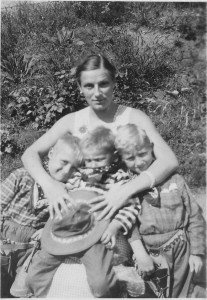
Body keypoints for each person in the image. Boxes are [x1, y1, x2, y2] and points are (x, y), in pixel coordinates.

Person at [21, 54, 178, 221]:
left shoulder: (133, 117)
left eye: (103, 84)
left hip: (127, 209)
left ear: (113, 83)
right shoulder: (71, 121)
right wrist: (50, 185)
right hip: (81, 209)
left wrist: (125, 191)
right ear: (80, 87)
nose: (97, 93)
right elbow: (30, 153)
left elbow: (169, 160)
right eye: (89, 86)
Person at [26, 126, 142, 298]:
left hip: (95, 236)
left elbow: (131, 207)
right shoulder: (77, 177)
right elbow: (63, 205)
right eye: (88, 161)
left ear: (114, 157)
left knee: (100, 283)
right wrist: (50, 228)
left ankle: (114, 290)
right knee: (34, 276)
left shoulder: (119, 180)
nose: (93, 166)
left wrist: (114, 227)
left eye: (99, 160)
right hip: (66, 234)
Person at [114, 123, 205, 298]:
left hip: (182, 250)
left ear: (151, 149)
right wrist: (140, 255)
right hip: (149, 254)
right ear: (122, 158)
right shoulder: (127, 187)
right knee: (154, 294)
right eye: (131, 158)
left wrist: (197, 252)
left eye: (142, 154)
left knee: (188, 293)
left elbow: (195, 216)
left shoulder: (175, 180)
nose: (139, 162)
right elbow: (128, 225)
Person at [0, 133, 82, 296]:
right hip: (3, 238)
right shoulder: (22, 176)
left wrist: (47, 230)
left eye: (73, 167)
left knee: (24, 289)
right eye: (64, 162)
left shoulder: (67, 192)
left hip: (32, 248)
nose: (66, 171)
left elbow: (64, 222)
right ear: (51, 154)